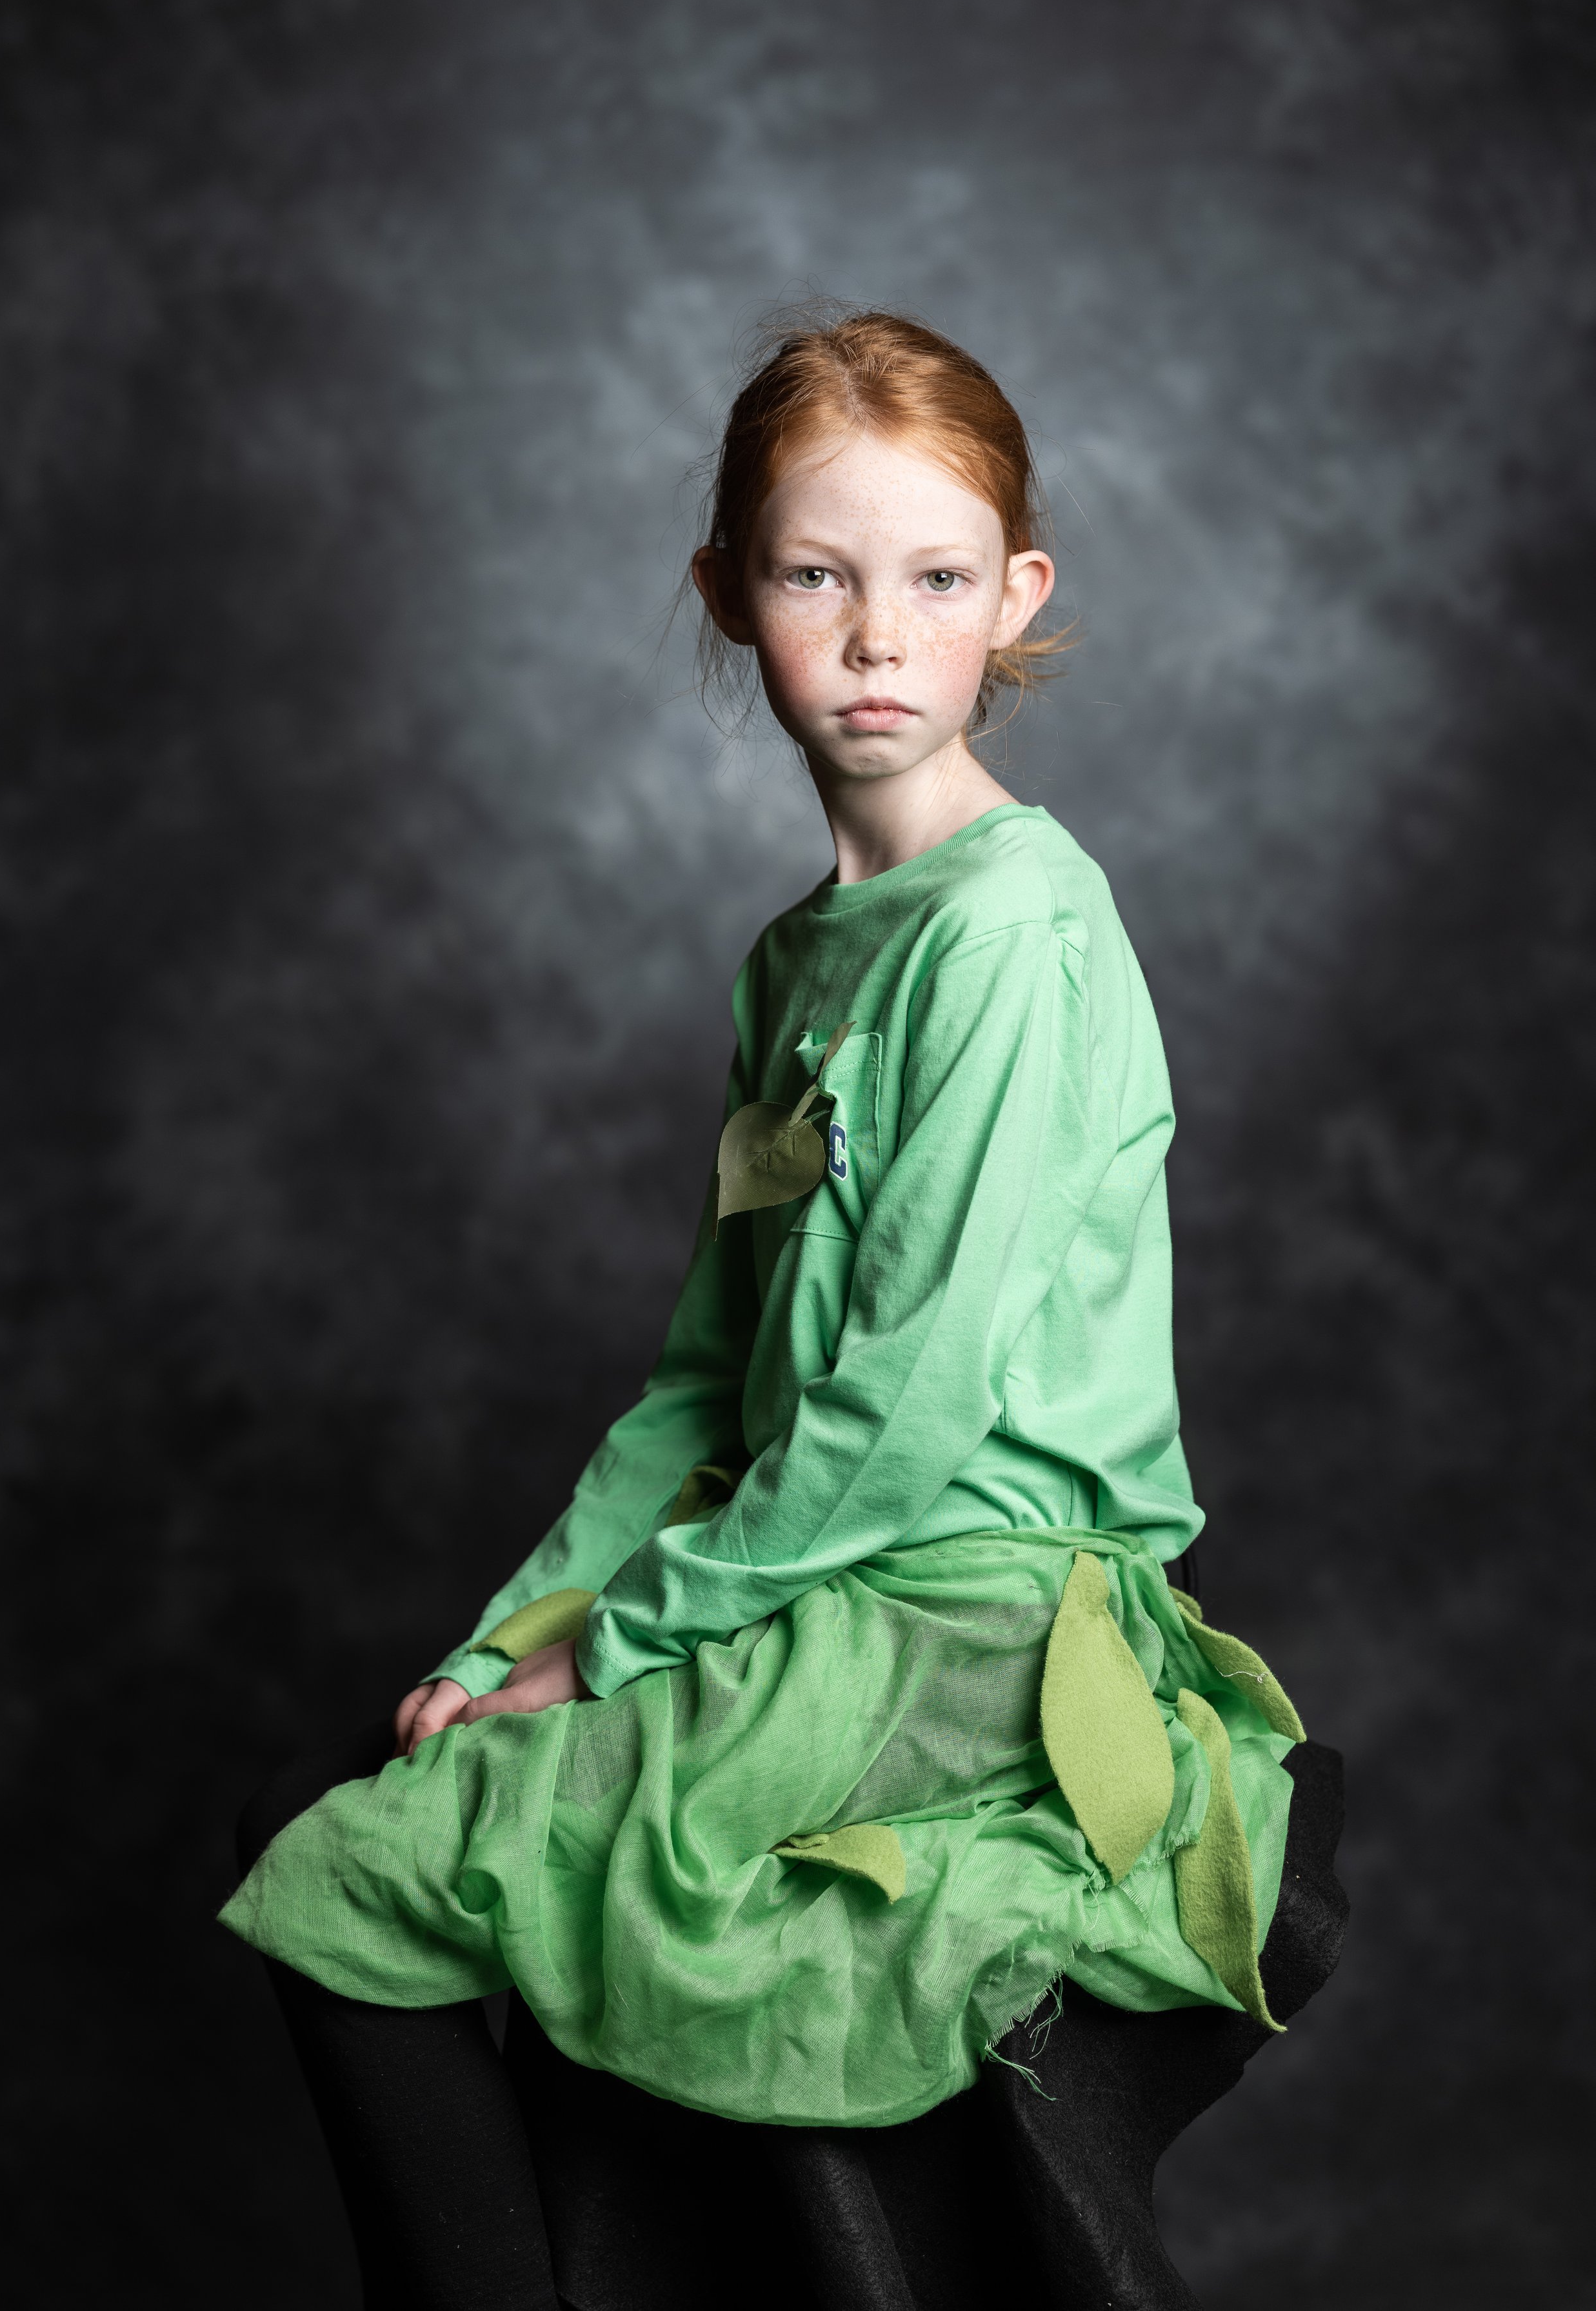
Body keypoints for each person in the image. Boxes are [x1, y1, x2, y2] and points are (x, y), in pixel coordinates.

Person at [224, 311, 1306, 2310]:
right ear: (730, 594)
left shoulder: (1008, 936)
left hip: (973, 1590)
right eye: (816, 576)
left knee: (362, 1885)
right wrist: (515, 1632)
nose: (877, 638)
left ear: (1016, 599)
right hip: (818, 1555)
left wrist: (618, 1651)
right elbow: (705, 1379)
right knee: (392, 1798)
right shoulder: (798, 957)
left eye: (936, 580)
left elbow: (896, 1411)